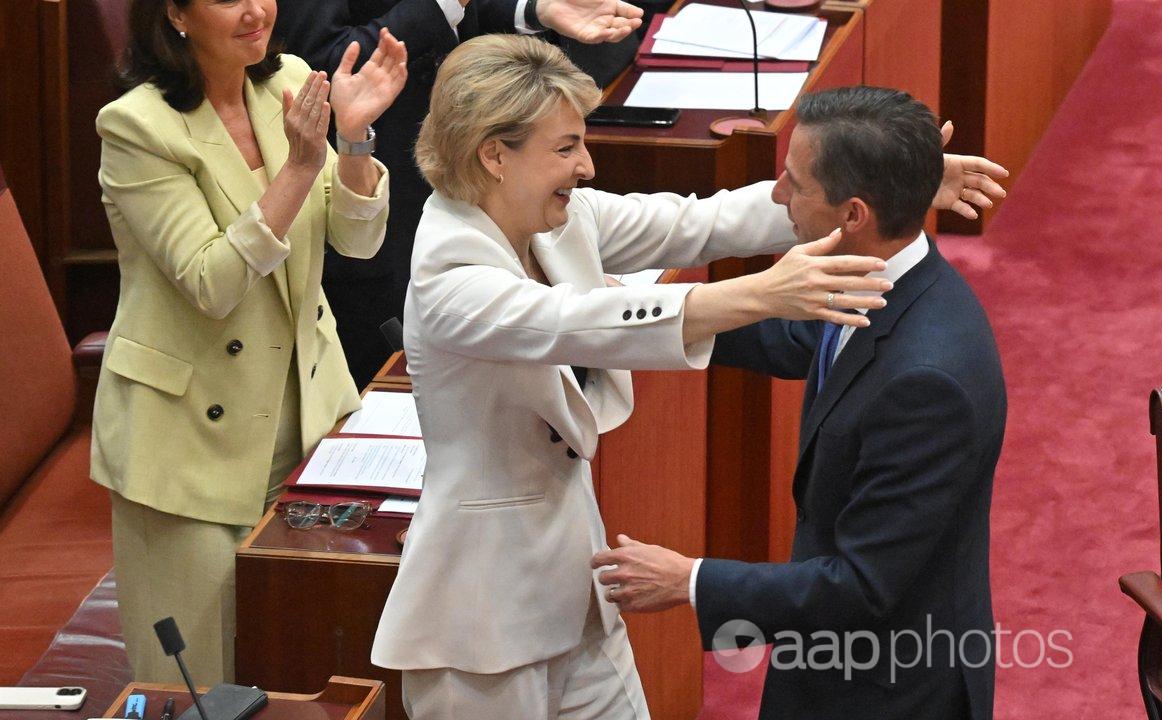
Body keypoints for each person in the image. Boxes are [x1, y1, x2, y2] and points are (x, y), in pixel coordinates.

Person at [371, 36, 1006, 719]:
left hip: (576, 587)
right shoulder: (449, 275)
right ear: (495, 154)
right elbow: (580, 320)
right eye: (565, 148)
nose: (585, 167)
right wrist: (763, 292)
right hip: (480, 618)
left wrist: (892, 186)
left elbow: (695, 221)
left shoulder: (558, 218)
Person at [592, 86, 1008, 720]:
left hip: (891, 686)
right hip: (837, 659)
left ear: (854, 214)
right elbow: (792, 335)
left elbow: (864, 584)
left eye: (793, 183)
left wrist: (690, 580)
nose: (778, 196)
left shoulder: (928, 384)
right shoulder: (879, 279)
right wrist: (634, 308)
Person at [92, 0, 406, 684]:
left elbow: (357, 240)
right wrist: (297, 166)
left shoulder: (288, 81)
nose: (255, 10)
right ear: (174, 13)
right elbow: (212, 282)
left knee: (308, 662)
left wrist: (352, 140)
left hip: (306, 420)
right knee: (199, 682)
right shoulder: (137, 126)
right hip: (188, 444)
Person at [274, 0, 643, 386]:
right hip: (380, 192)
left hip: (469, 173)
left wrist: (533, 9)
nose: (586, 166)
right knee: (401, 381)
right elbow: (316, 64)